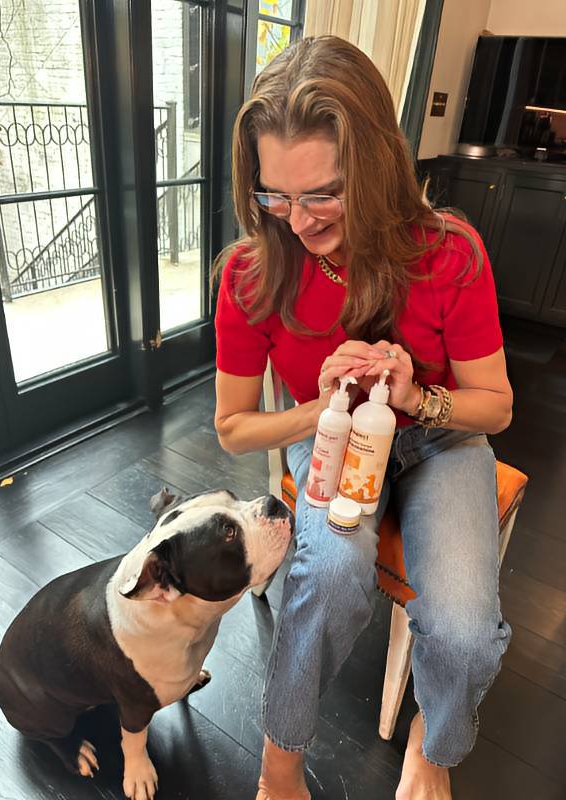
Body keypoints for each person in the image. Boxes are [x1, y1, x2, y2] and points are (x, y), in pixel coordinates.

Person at [212, 35, 513, 800]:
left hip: (440, 440)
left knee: (465, 633)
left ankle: (432, 741)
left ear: (377, 164)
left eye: (323, 194)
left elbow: (496, 405)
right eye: (277, 196)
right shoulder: (251, 273)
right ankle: (280, 762)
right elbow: (233, 427)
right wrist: (320, 409)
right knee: (331, 575)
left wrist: (416, 399)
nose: (299, 222)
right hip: (330, 437)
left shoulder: (450, 254)